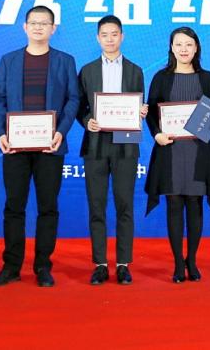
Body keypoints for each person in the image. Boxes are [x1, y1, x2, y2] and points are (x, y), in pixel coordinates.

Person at [0, 5, 79, 288]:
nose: (38, 27)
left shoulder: (65, 61)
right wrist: (1, 133)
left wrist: (61, 132)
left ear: (53, 28)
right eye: (33, 22)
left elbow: (73, 99)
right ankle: (11, 266)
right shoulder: (9, 60)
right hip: (15, 146)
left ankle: (43, 266)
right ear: (24, 27)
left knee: (47, 207)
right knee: (14, 206)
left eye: (44, 23)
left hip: (50, 146)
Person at [145, 27, 210, 283]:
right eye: (178, 44)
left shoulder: (207, 78)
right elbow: (151, 113)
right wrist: (156, 134)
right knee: (174, 204)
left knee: (194, 203)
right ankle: (178, 263)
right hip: (169, 149)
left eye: (188, 44)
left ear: (196, 48)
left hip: (198, 150)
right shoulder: (161, 77)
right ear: (171, 48)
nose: (183, 49)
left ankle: (192, 259)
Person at [77, 15, 147, 285]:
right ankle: (100, 264)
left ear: (122, 36)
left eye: (114, 34)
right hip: (95, 144)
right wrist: (87, 121)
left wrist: (141, 111)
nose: (109, 39)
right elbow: (80, 107)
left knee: (124, 204)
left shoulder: (135, 70)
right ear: (98, 38)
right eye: (104, 34)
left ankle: (123, 264)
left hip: (125, 144)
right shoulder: (87, 71)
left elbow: (139, 104)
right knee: (96, 205)